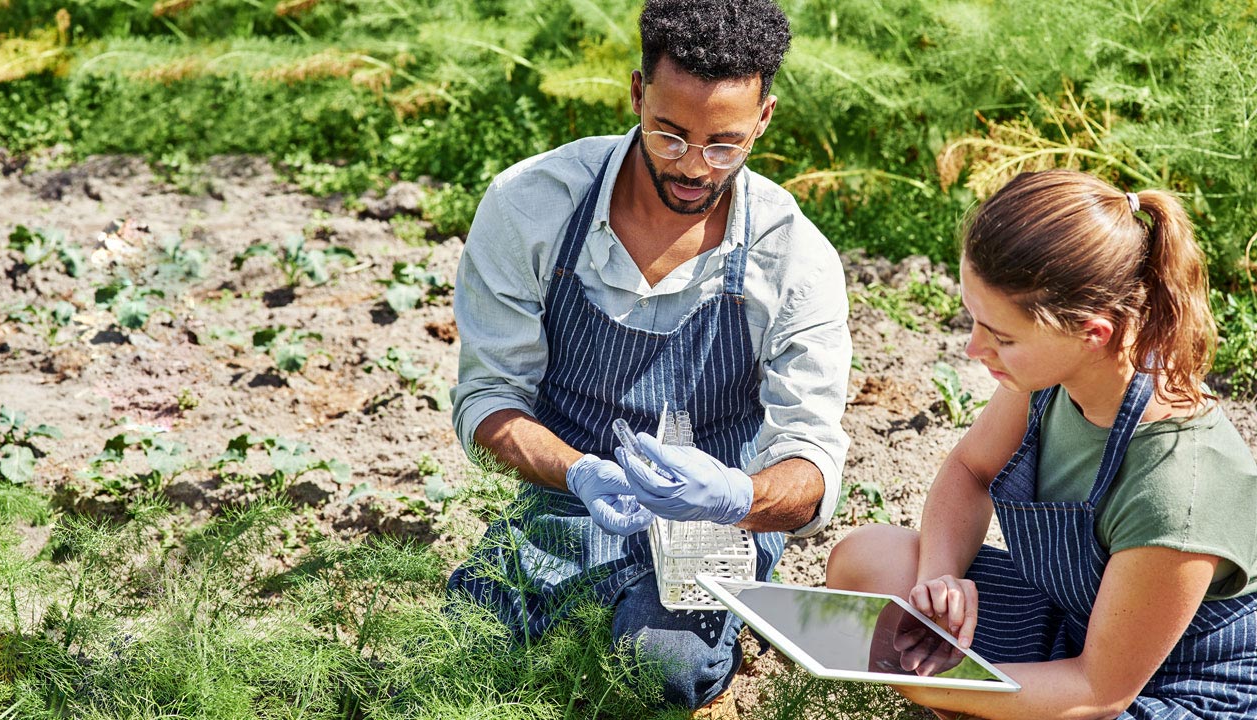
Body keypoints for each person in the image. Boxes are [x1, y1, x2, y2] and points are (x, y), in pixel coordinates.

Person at [445, 0, 852, 711]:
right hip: (567, 501)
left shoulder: (794, 258)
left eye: (724, 144)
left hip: (718, 527)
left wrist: (735, 496)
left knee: (654, 668)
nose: (695, 167)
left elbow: (811, 463)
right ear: (637, 94)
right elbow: (489, 400)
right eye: (669, 135)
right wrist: (579, 472)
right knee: (466, 648)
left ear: (764, 118)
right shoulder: (532, 206)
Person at [825, 169, 1257, 719]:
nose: (973, 349)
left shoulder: (1179, 484)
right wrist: (941, 581)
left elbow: (1101, 692)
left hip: (1169, 687)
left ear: (1093, 332)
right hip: (1070, 622)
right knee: (869, 560)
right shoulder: (1050, 377)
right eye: (975, 321)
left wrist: (927, 684)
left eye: (1002, 337)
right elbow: (969, 471)